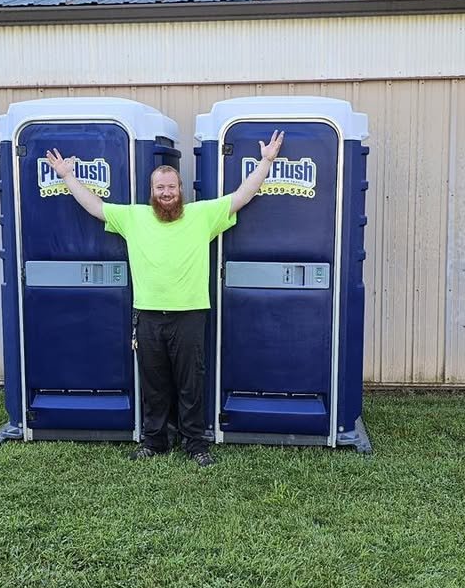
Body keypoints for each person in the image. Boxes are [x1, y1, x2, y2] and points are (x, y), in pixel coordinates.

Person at [45, 130, 285, 466]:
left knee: (191, 384)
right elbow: (95, 207)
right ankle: (155, 441)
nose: (167, 193)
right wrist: (68, 176)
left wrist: (267, 162)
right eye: (161, 188)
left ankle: (195, 444)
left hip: (190, 314)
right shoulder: (134, 217)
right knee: (154, 383)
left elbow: (241, 196)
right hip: (147, 315)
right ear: (152, 192)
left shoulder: (202, 215)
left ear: (180, 190)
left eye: (172, 187)